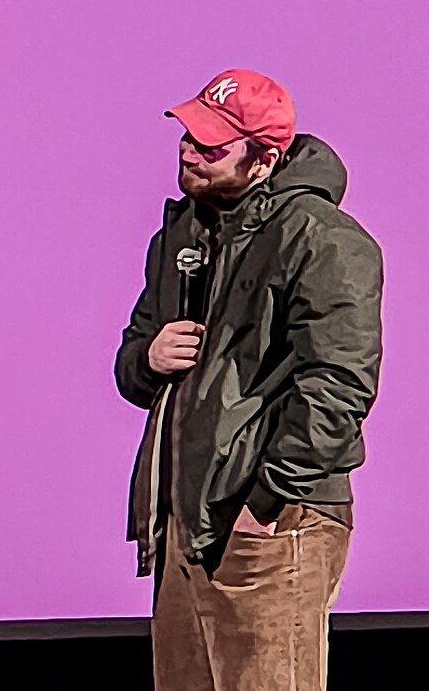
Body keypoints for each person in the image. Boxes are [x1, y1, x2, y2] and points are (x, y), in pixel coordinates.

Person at [116, 69, 382, 691]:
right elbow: (134, 361)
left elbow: (339, 384)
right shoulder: (181, 235)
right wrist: (146, 359)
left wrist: (264, 504)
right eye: (188, 135)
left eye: (211, 145)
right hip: (188, 521)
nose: (189, 152)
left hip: (271, 522)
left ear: (263, 160)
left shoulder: (324, 241)